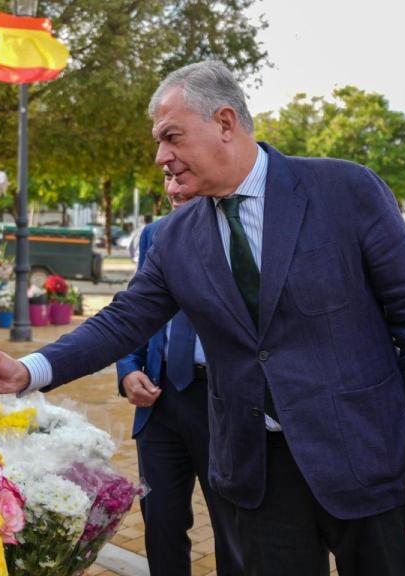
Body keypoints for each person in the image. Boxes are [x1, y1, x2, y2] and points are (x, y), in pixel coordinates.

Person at [0, 61, 405, 575]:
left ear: (226, 123)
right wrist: (28, 370)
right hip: (257, 481)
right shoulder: (174, 237)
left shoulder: (345, 190)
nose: (161, 157)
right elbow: (121, 322)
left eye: (171, 137)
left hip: (369, 465)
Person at [115, 169, 241, 576]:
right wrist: (128, 370)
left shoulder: (239, 233)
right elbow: (136, 310)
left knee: (234, 526)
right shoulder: (156, 235)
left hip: (222, 401)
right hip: (160, 399)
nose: (173, 188)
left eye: (182, 178)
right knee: (161, 521)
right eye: (168, 180)